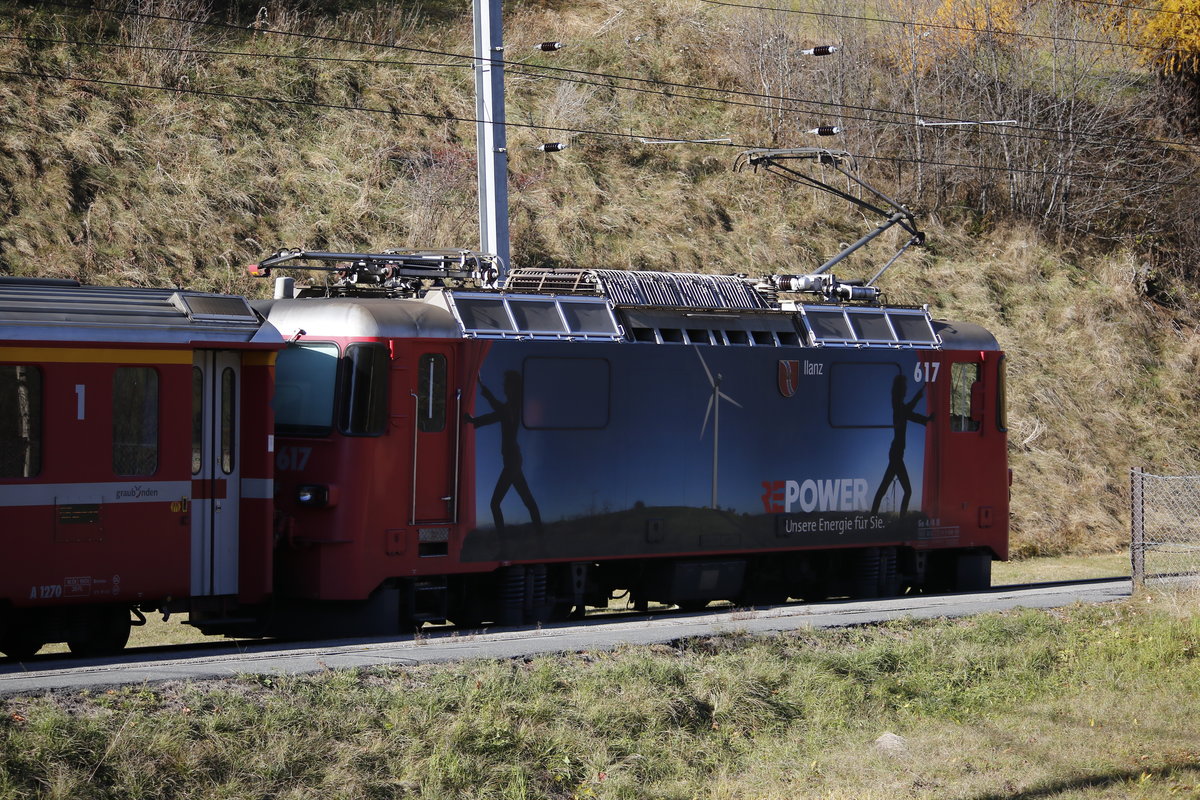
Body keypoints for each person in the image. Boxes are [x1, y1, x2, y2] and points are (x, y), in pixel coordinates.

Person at [466, 370, 543, 534]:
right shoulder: (512, 406)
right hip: (512, 460)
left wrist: (473, 421)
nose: (504, 388)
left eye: (507, 385)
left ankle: (504, 548)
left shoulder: (513, 406)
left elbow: (497, 412)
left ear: (514, 387)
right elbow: (497, 412)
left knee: (495, 504)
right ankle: (541, 539)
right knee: (528, 501)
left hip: (512, 461)